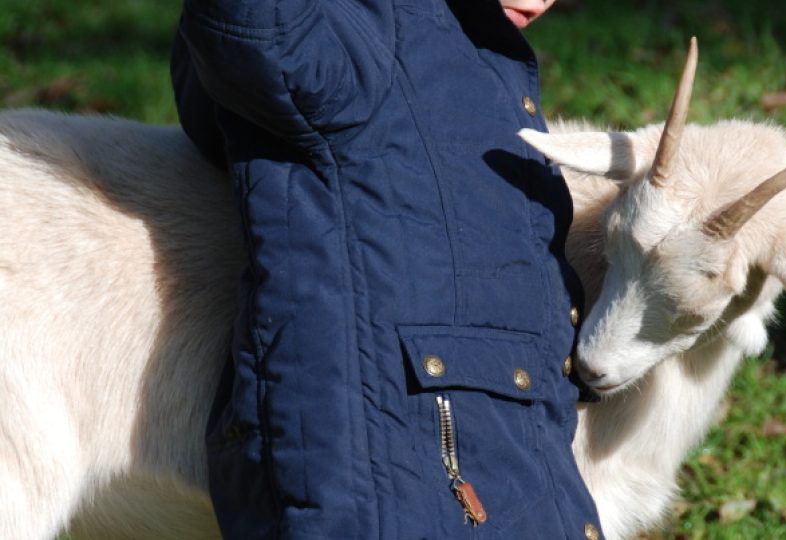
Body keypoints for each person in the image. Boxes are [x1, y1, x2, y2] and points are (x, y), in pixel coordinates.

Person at [170, 0, 603, 538]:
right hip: (392, 495)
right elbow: (256, 24)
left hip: (512, 492)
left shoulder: (482, 64)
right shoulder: (356, 31)